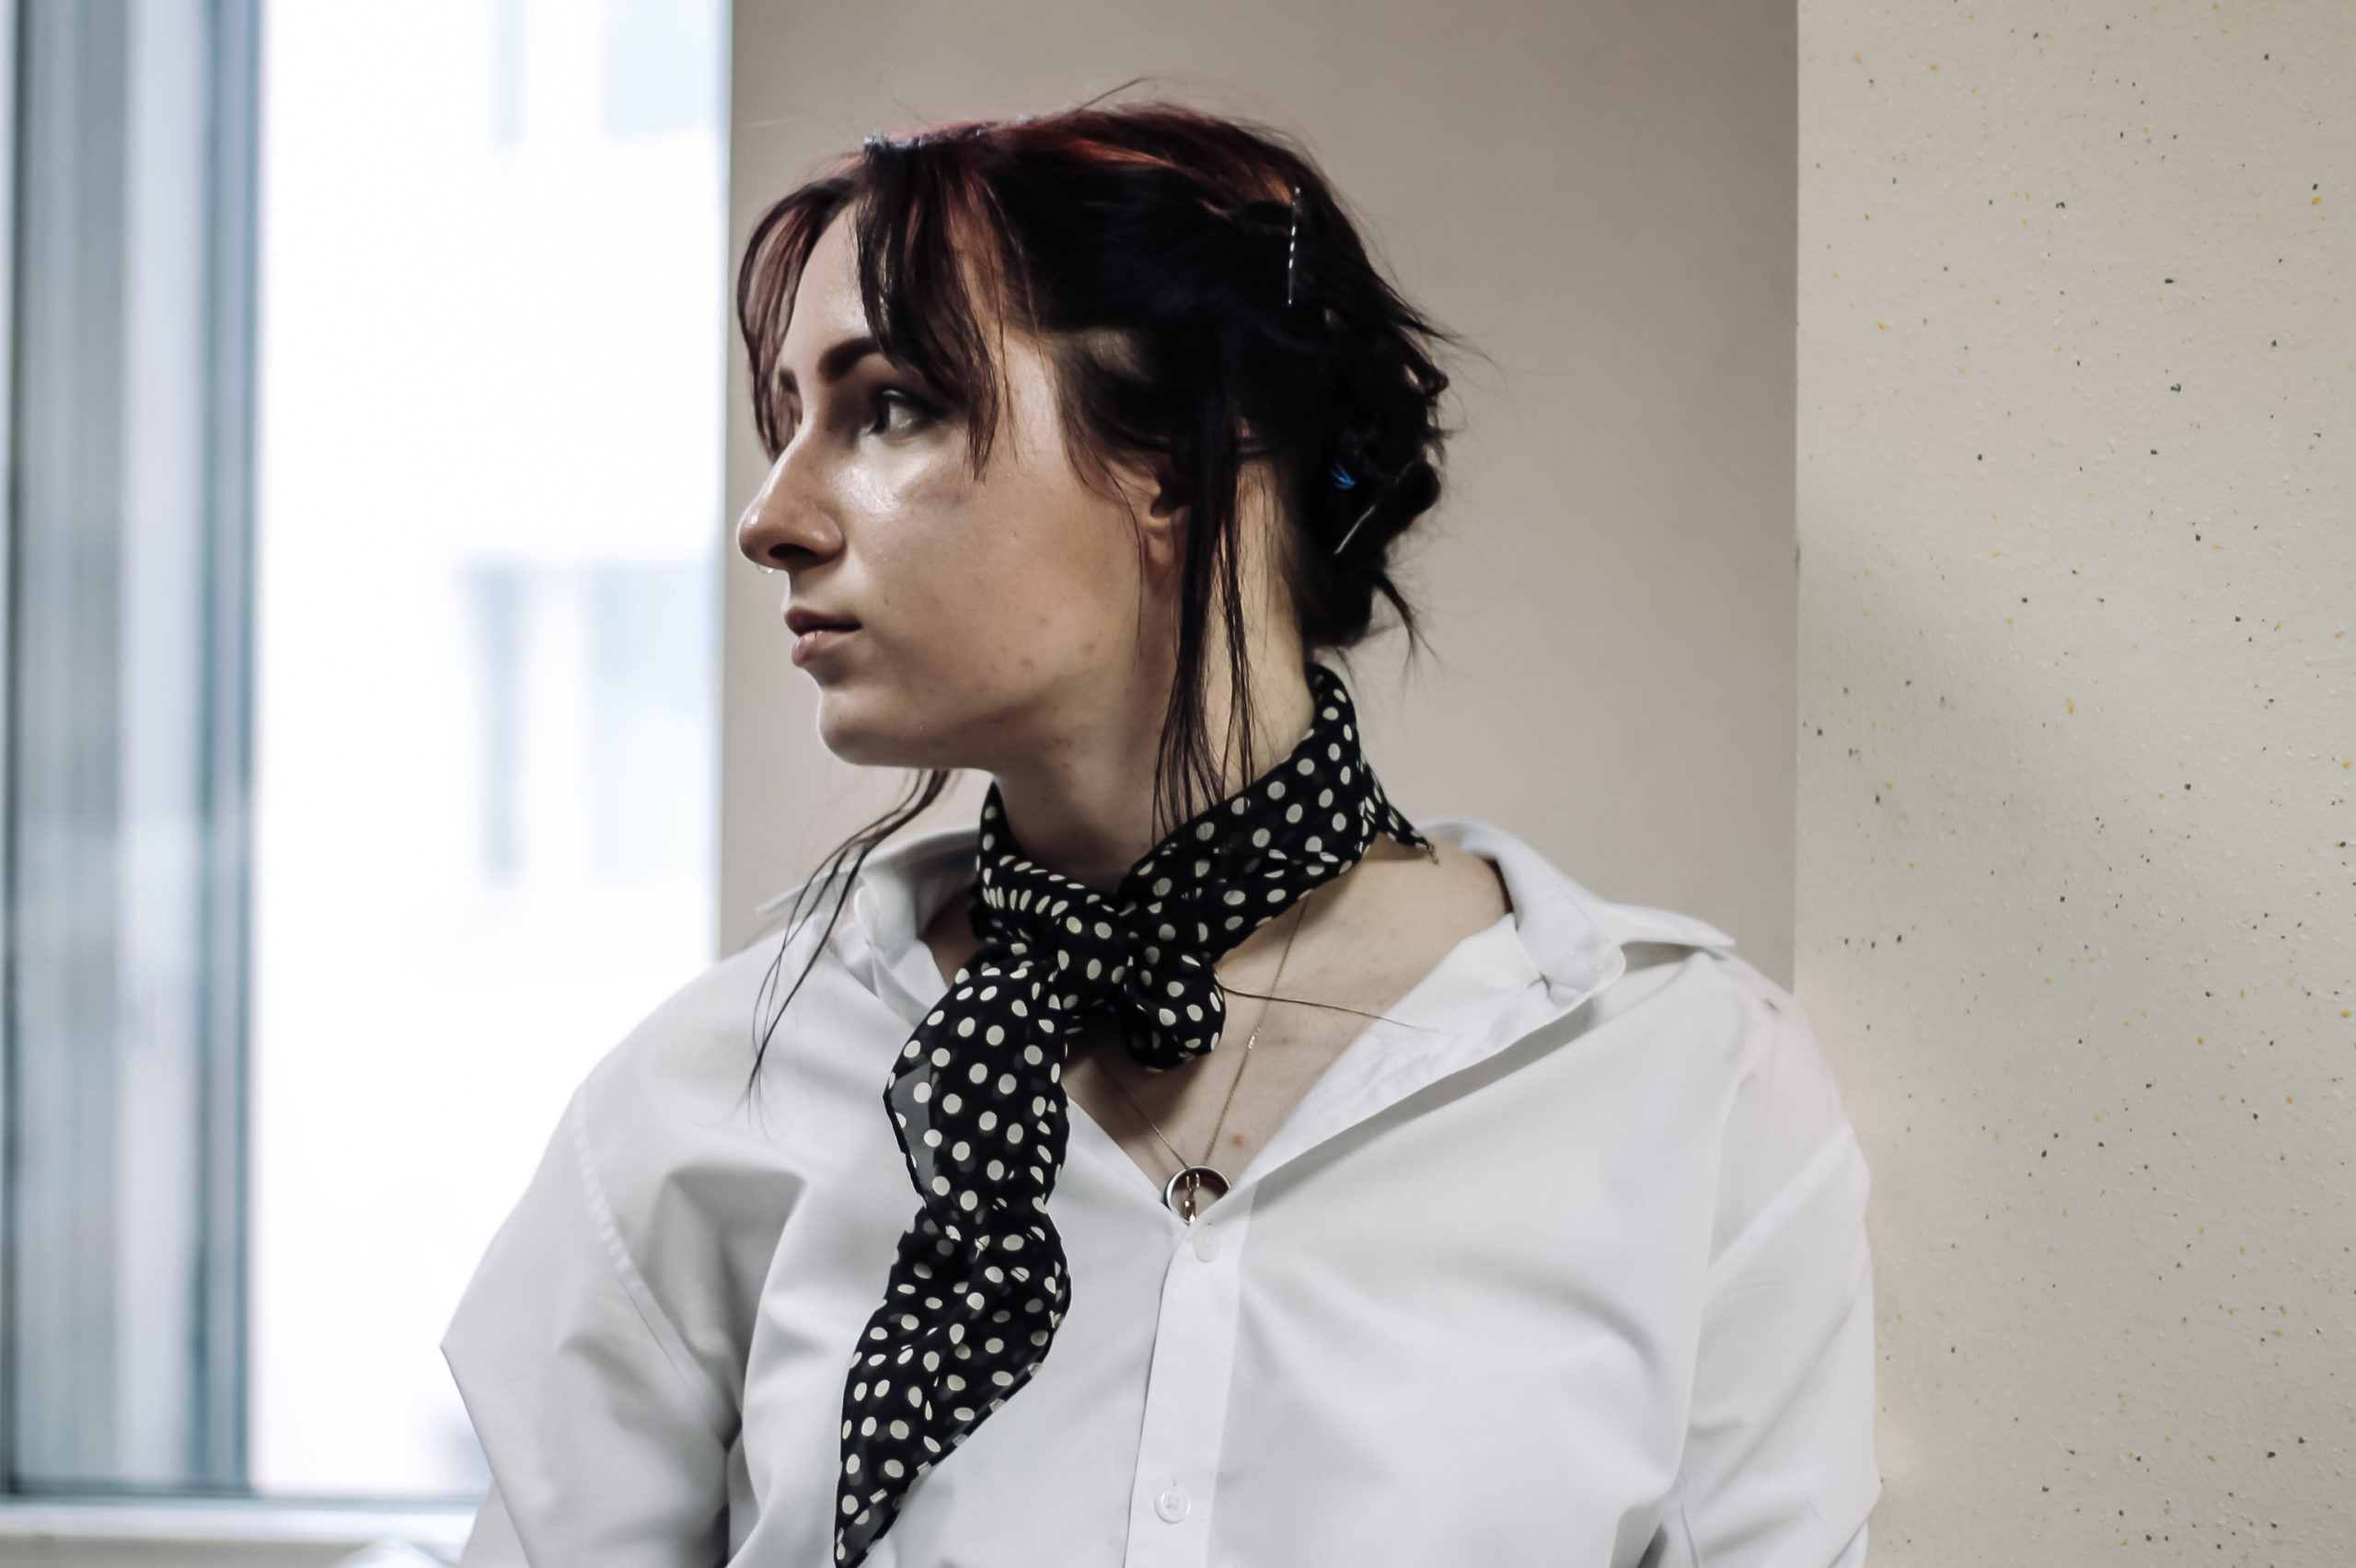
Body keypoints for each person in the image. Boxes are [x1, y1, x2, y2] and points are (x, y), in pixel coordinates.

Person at [444, 101, 1877, 1568]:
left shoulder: (1681, 1080)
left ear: (1186, 457)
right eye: (787, 419)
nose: (772, 517)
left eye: (890, 406)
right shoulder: (714, 1091)